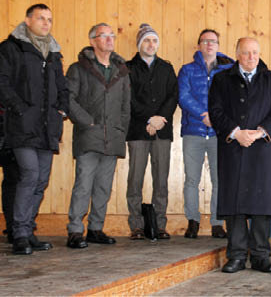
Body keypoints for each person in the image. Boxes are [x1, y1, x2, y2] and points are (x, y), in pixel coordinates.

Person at [209, 37, 271, 273]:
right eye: (246, 53)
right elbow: (215, 110)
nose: (251, 57)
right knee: (235, 205)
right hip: (233, 148)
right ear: (237, 54)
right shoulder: (222, 80)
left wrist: (260, 132)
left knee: (261, 205)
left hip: (262, 149)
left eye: (255, 53)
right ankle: (236, 256)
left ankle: (261, 257)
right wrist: (235, 132)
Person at [0, 4, 69, 255]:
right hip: (22, 126)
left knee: (41, 180)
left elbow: (62, 87)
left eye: (49, 19)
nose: (46, 23)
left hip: (47, 127)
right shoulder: (11, 48)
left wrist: (62, 109)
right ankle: (18, 233)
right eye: (41, 18)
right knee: (28, 176)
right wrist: (19, 108)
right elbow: (2, 82)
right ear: (28, 20)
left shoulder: (53, 53)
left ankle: (28, 231)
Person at [65, 23, 130, 249]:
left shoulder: (121, 70)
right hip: (89, 135)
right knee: (83, 184)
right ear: (93, 41)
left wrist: (120, 129)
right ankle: (75, 230)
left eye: (112, 35)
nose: (110, 39)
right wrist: (88, 121)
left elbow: (125, 105)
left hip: (112, 137)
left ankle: (95, 228)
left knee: (104, 185)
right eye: (104, 36)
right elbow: (69, 99)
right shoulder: (78, 68)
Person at [178, 29, 234, 239]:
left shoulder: (229, 71)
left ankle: (218, 223)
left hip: (220, 133)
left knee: (220, 179)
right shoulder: (187, 70)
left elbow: (232, 100)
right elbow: (183, 96)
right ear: (199, 45)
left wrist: (218, 119)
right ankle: (192, 221)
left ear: (218, 45)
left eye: (214, 41)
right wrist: (203, 115)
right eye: (205, 41)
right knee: (191, 179)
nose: (210, 44)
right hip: (193, 131)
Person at [126, 24, 178, 240]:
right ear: (139, 44)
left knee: (161, 179)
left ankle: (159, 224)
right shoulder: (127, 68)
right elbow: (128, 99)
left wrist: (158, 121)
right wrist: (149, 118)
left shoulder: (166, 68)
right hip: (138, 130)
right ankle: (136, 225)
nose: (151, 44)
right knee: (135, 179)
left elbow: (173, 97)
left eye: (154, 40)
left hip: (162, 132)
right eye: (147, 40)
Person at [0, 104, 19, 244]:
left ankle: (13, 227)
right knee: (12, 181)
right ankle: (13, 227)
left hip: (10, 131)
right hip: (9, 129)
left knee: (13, 180)